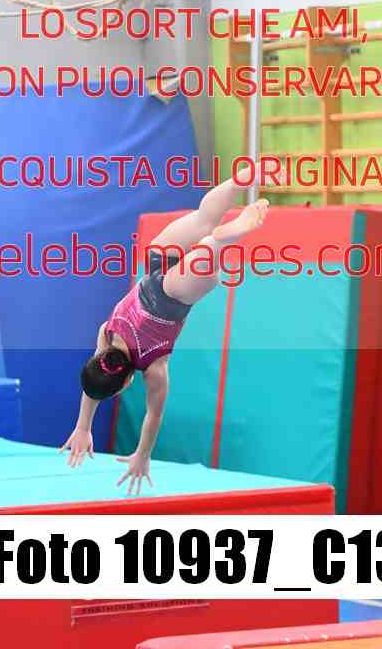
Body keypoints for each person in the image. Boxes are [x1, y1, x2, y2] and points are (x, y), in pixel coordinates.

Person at [60, 163, 273, 494]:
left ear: (125, 383)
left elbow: (152, 417)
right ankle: (240, 181)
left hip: (173, 297)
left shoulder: (154, 368)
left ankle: (222, 242)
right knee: (204, 217)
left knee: (205, 260)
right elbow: (94, 380)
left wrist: (142, 455)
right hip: (156, 262)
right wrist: (82, 426)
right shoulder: (106, 333)